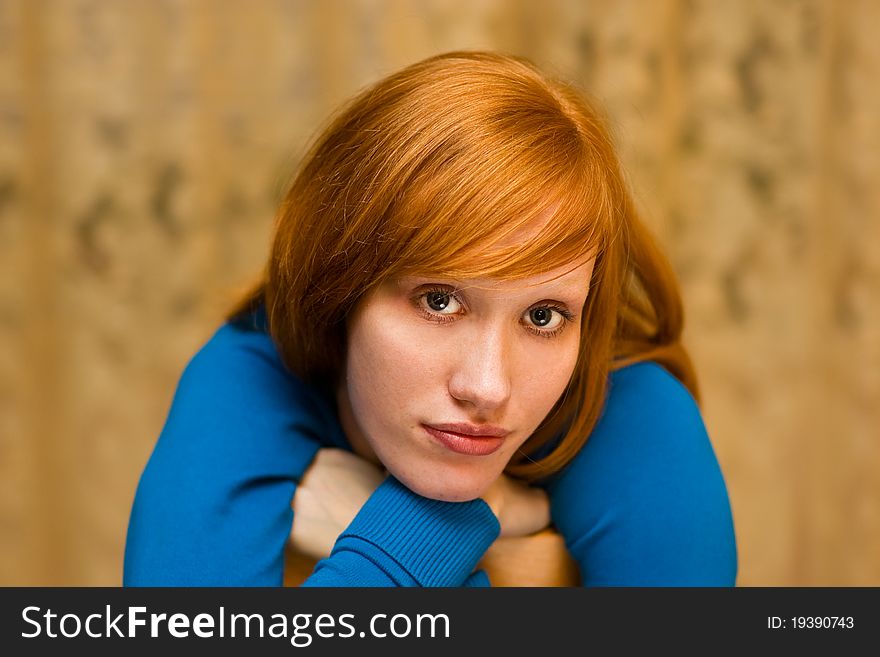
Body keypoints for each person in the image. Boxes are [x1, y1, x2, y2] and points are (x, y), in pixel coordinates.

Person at [123, 51, 737, 587]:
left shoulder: (625, 404)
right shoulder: (250, 376)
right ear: (338, 292)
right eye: (439, 301)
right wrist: (440, 529)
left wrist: (403, 528)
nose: (488, 388)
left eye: (545, 316)